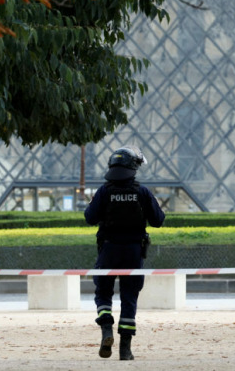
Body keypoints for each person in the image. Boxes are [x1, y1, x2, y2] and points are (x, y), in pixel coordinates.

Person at [84, 145, 165, 360]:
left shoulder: (104, 191)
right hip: (133, 252)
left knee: (103, 293)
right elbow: (158, 220)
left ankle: (106, 330)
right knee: (129, 297)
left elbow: (90, 218)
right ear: (133, 168)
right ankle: (125, 350)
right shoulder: (142, 192)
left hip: (108, 249)